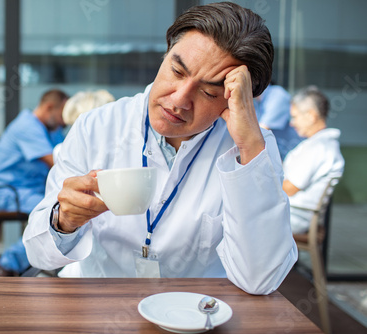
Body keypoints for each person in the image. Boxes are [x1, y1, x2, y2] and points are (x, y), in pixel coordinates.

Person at [23, 2, 298, 295]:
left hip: (198, 314)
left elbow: (262, 280)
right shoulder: (97, 126)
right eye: (177, 71)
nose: (179, 100)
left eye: (208, 92)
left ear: (235, 99)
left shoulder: (253, 148)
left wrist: (250, 146)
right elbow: (39, 255)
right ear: (165, 55)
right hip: (102, 305)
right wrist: (64, 221)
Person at [0, 89, 68, 275]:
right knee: (54, 213)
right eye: (64, 114)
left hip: (28, 190)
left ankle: (33, 263)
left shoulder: (51, 129)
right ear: (49, 107)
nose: (65, 121)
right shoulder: (27, 126)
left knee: (60, 210)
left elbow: (67, 155)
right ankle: (6, 262)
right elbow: (57, 162)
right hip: (5, 192)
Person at [283, 86, 345, 234]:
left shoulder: (319, 147)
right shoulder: (318, 144)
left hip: (293, 216)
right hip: (292, 212)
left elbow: (289, 188)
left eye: (295, 116)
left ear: (311, 116)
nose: (292, 123)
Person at [254, 84, 303, 160]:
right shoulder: (255, 101)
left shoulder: (277, 95)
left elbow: (259, 132)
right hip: (280, 158)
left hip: (295, 157)